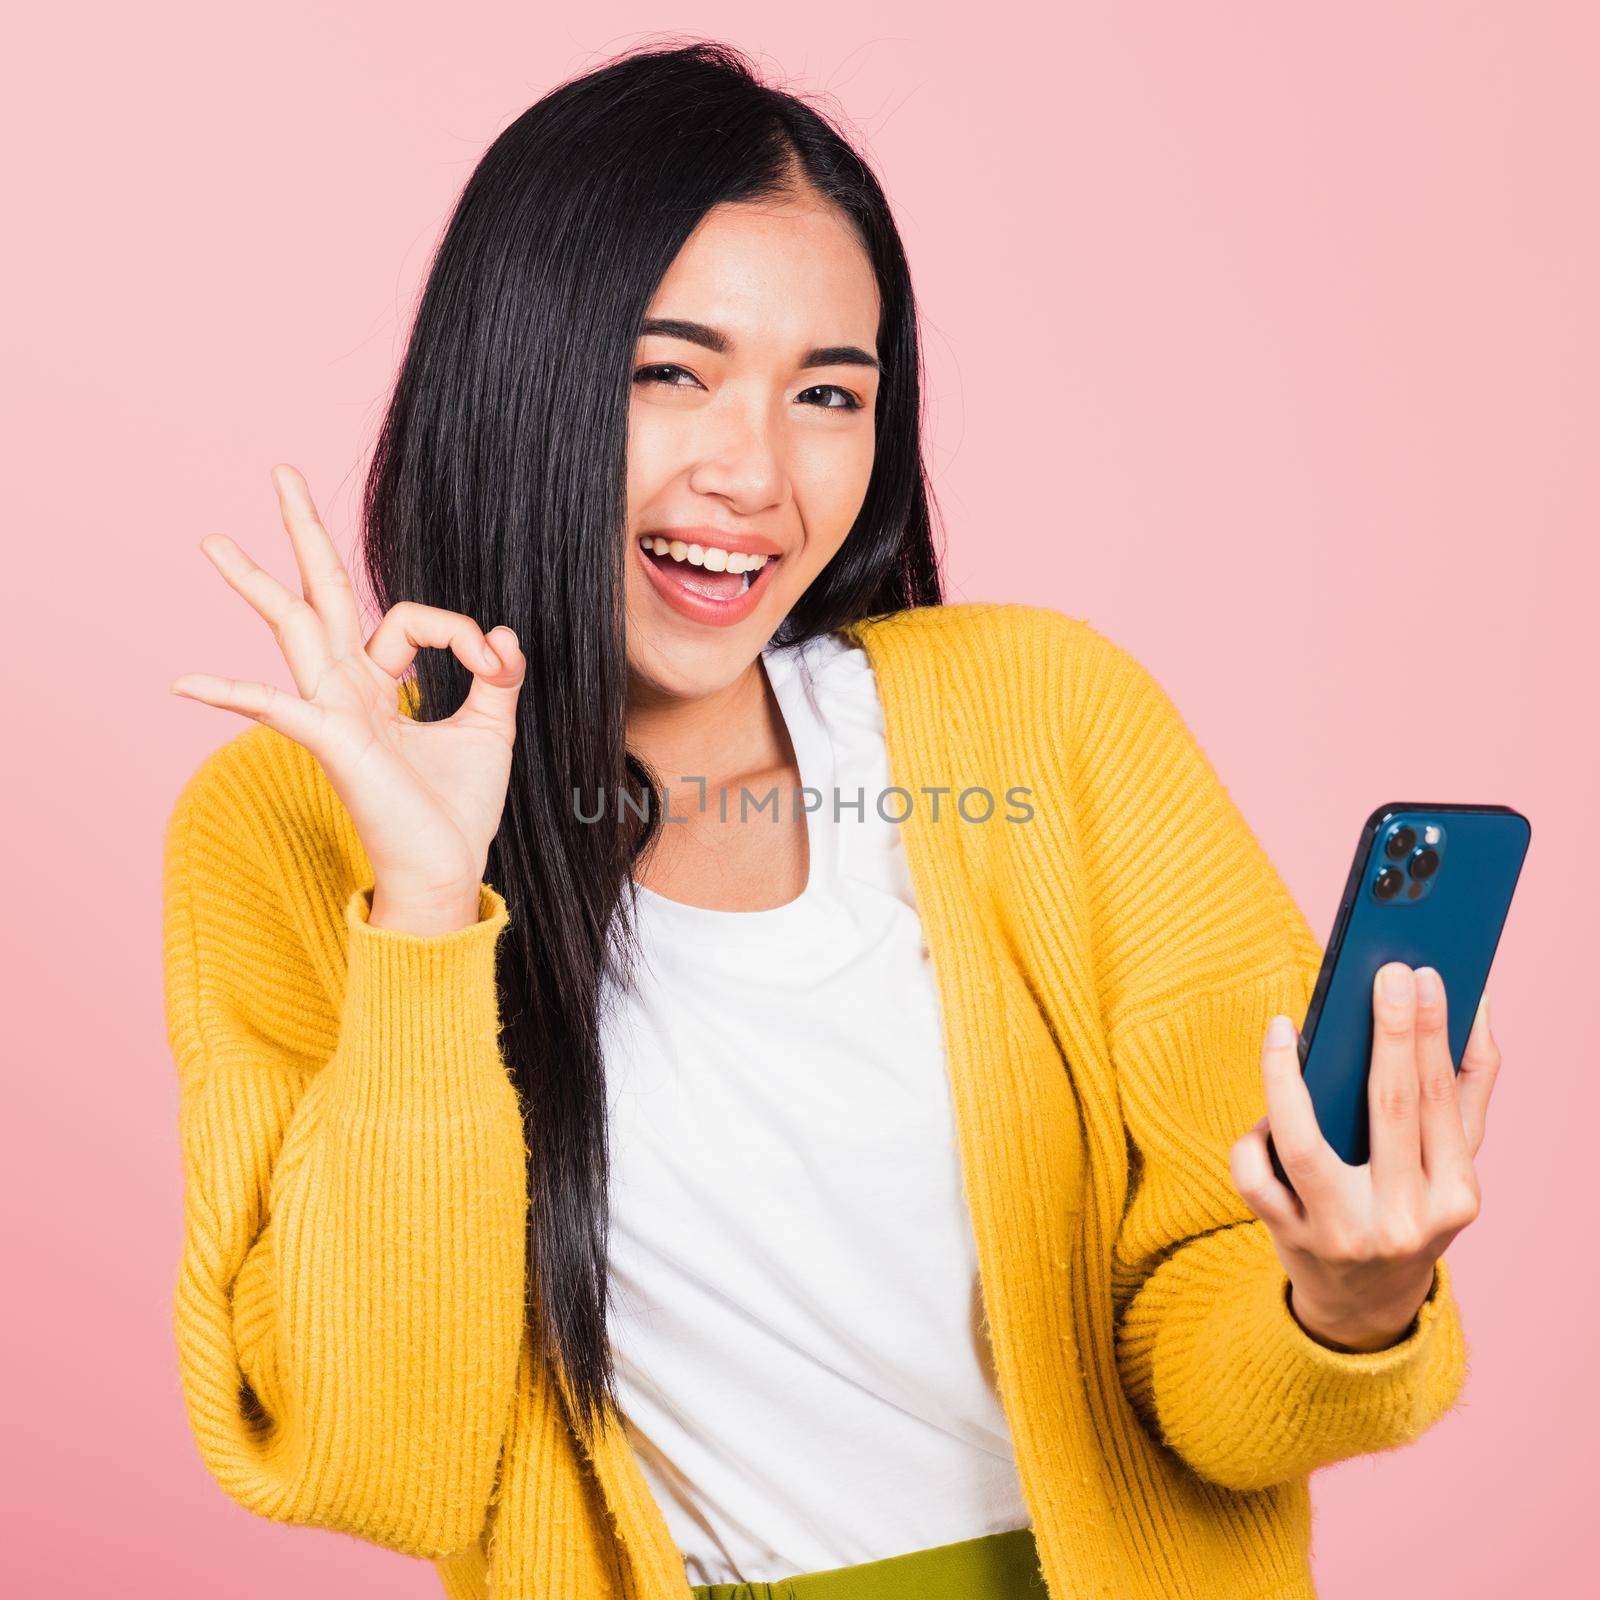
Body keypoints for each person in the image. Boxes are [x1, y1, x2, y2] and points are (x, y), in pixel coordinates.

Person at [160, 39, 1495, 1600]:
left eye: (830, 394)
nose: (756, 473)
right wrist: (426, 916)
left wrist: (1344, 1299)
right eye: (671, 372)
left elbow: (1210, 1384)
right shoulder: (291, 826)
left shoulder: (1047, 721)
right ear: (518, 371)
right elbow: (382, 1459)